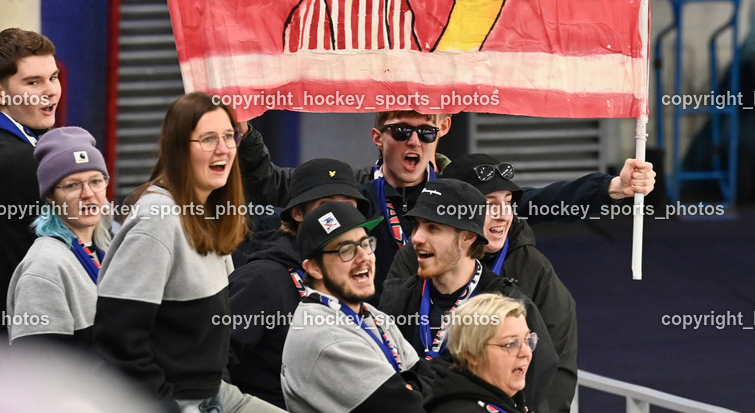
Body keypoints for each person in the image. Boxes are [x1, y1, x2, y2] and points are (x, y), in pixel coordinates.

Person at [238, 108, 656, 296]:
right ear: (378, 137)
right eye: (401, 131)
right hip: (373, 331)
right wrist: (244, 136)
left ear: (443, 130)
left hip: (445, 334)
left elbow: (536, 202)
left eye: (426, 132)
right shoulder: (353, 192)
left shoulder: (461, 192)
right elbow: (272, 187)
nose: (414, 142)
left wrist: (610, 188)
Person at [93, 92, 290, 413]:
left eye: (229, 136)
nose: (224, 149)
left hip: (216, 393)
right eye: (208, 139)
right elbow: (117, 341)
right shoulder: (157, 220)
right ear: (178, 148)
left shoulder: (209, 213)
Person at [390, 153, 578, 413]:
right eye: (489, 204)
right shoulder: (403, 282)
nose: (502, 215)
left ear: (468, 234)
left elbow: (550, 376)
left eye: (508, 203)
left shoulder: (522, 283)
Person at [227, 158, 369, 408]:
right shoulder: (262, 279)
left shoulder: (354, 276)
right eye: (326, 206)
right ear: (297, 213)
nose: (338, 216)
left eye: (347, 205)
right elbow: (209, 363)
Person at [281, 201, 425, 413]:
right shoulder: (326, 337)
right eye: (346, 250)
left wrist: (410, 387)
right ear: (314, 268)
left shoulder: (369, 313)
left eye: (365, 244)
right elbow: (412, 412)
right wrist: (410, 389)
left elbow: (429, 375)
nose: (363, 257)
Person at [0, 28, 62, 323]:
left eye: (53, 77)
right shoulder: (19, 160)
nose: (50, 90)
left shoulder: (8, 144)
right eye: (33, 82)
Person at [7, 126, 114, 350]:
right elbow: (40, 364)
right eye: (72, 185)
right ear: (50, 196)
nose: (88, 194)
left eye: (95, 181)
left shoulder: (106, 249)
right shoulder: (44, 267)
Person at [425, 294, 543, 413]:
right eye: (511, 344)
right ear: (471, 354)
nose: (526, 353)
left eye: (528, 340)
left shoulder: (510, 401)